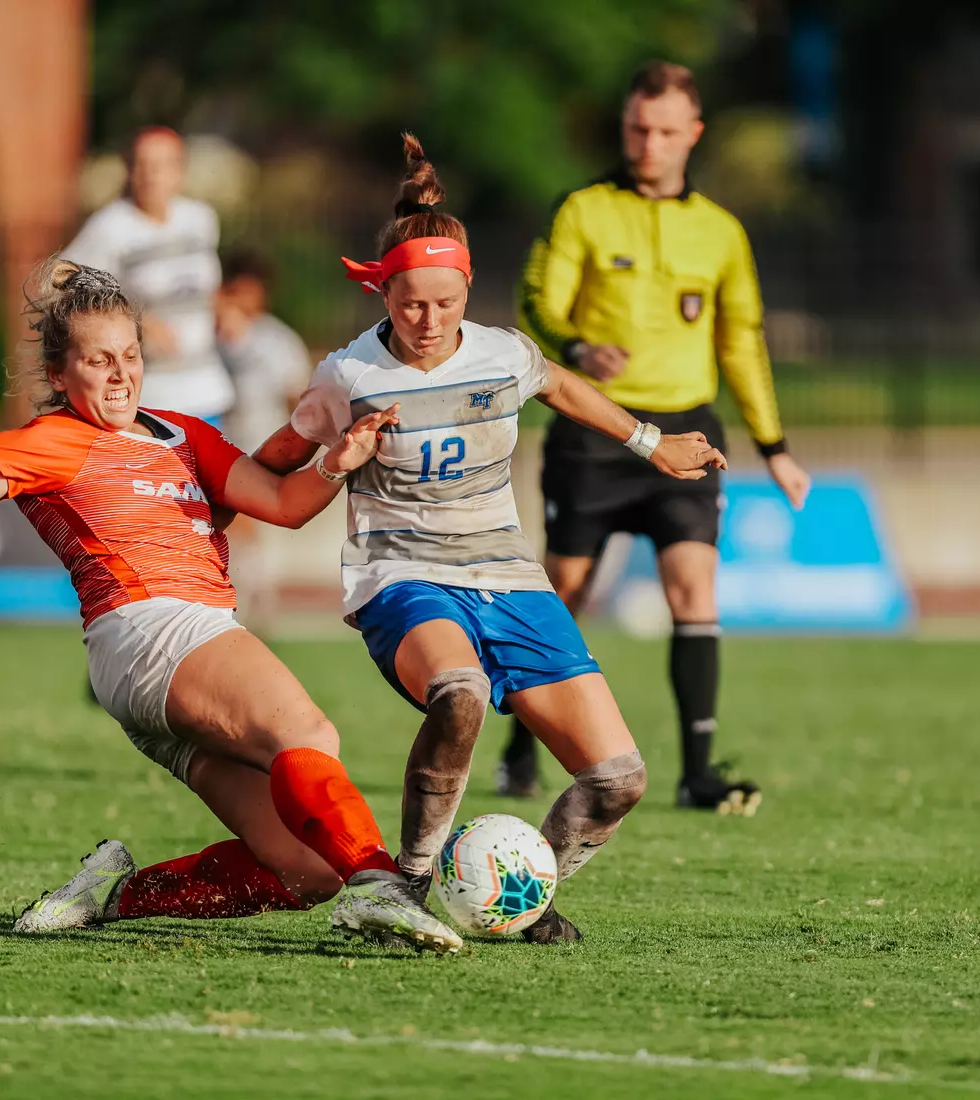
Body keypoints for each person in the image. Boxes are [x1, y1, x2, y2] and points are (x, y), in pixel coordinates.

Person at [0, 258, 465, 954]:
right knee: (308, 734)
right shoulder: (47, 443)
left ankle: (110, 894)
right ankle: (383, 887)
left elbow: (283, 504)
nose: (119, 375)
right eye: (98, 361)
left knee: (307, 869)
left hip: (172, 658)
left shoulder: (183, 435)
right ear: (58, 374)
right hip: (149, 629)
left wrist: (336, 460)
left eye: (129, 356)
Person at [246, 136, 728, 944]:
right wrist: (282, 476)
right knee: (460, 691)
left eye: (445, 302)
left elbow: (560, 383)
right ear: (382, 291)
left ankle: (521, 895)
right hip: (402, 575)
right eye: (410, 304)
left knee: (618, 779)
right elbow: (274, 462)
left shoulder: (502, 355)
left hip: (508, 575)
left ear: (467, 288)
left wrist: (652, 443)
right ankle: (405, 885)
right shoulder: (348, 377)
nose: (428, 321)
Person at [495, 60, 812, 813]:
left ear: (693, 133)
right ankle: (522, 742)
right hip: (595, 430)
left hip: (689, 430)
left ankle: (698, 772)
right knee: (567, 588)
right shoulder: (583, 210)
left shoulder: (721, 231)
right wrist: (577, 348)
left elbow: (742, 341)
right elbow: (536, 301)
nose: (650, 143)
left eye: (666, 131)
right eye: (639, 128)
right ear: (625, 126)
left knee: (694, 587)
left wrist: (774, 447)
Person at [61, 126, 234, 425]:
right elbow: (64, 277)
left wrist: (226, 310)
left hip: (204, 384)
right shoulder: (111, 226)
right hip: (151, 392)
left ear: (180, 172)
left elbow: (203, 286)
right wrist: (135, 320)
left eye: (160, 165)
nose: (149, 175)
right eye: (140, 164)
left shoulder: (201, 219)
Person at [216, 249, 313, 452]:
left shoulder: (279, 339)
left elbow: (300, 398)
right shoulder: (205, 338)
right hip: (218, 451)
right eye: (235, 291)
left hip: (264, 451)